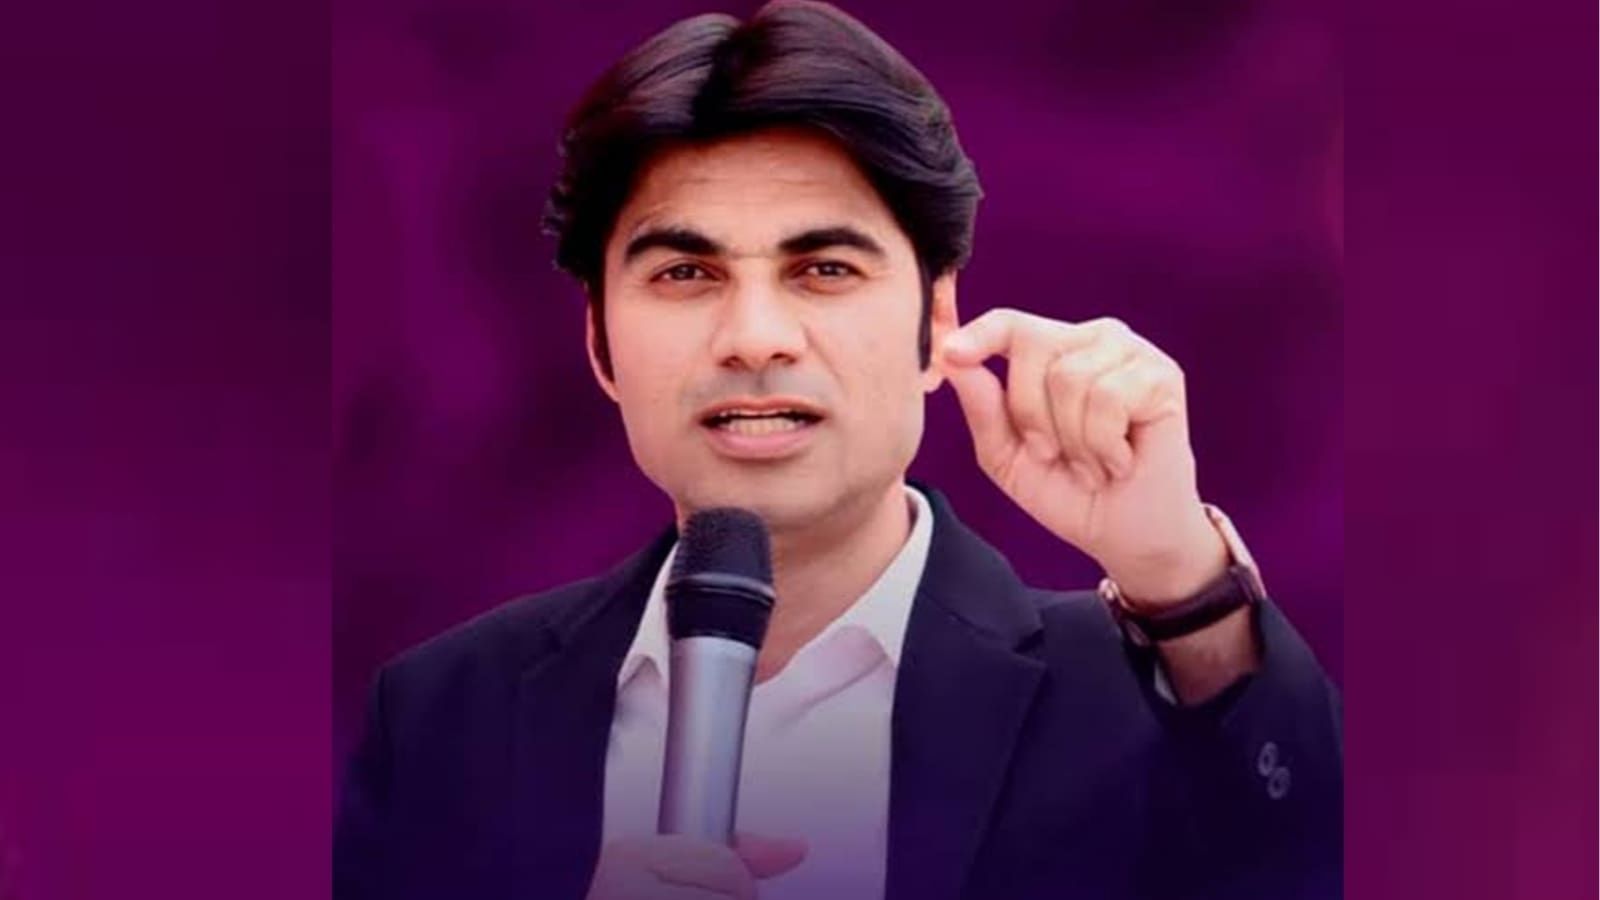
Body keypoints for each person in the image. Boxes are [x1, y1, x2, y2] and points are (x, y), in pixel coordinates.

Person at [333, 3, 1342, 898]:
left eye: (821, 268)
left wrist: (1182, 579)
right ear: (599, 342)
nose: (755, 338)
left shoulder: (1141, 702)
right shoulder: (442, 720)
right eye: (685, 273)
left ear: (936, 319)